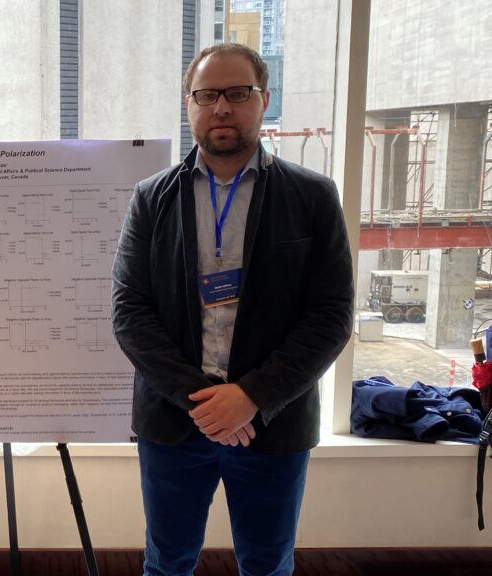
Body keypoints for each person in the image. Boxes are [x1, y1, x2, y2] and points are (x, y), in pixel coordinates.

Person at [111, 44, 353, 576]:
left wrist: (250, 398)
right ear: (189, 104)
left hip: (273, 421)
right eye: (206, 95)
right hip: (175, 422)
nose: (221, 107)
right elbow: (129, 311)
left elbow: (331, 315)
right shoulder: (151, 198)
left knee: (267, 564)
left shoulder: (312, 196)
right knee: (167, 562)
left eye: (237, 93)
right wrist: (203, 402)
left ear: (263, 100)